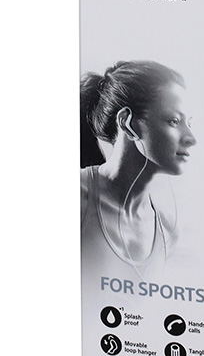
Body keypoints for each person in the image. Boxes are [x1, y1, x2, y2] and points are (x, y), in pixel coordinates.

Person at [80, 60, 196, 278]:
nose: (191, 138)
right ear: (128, 123)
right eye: (174, 121)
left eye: (189, 123)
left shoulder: (168, 228)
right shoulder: (79, 198)